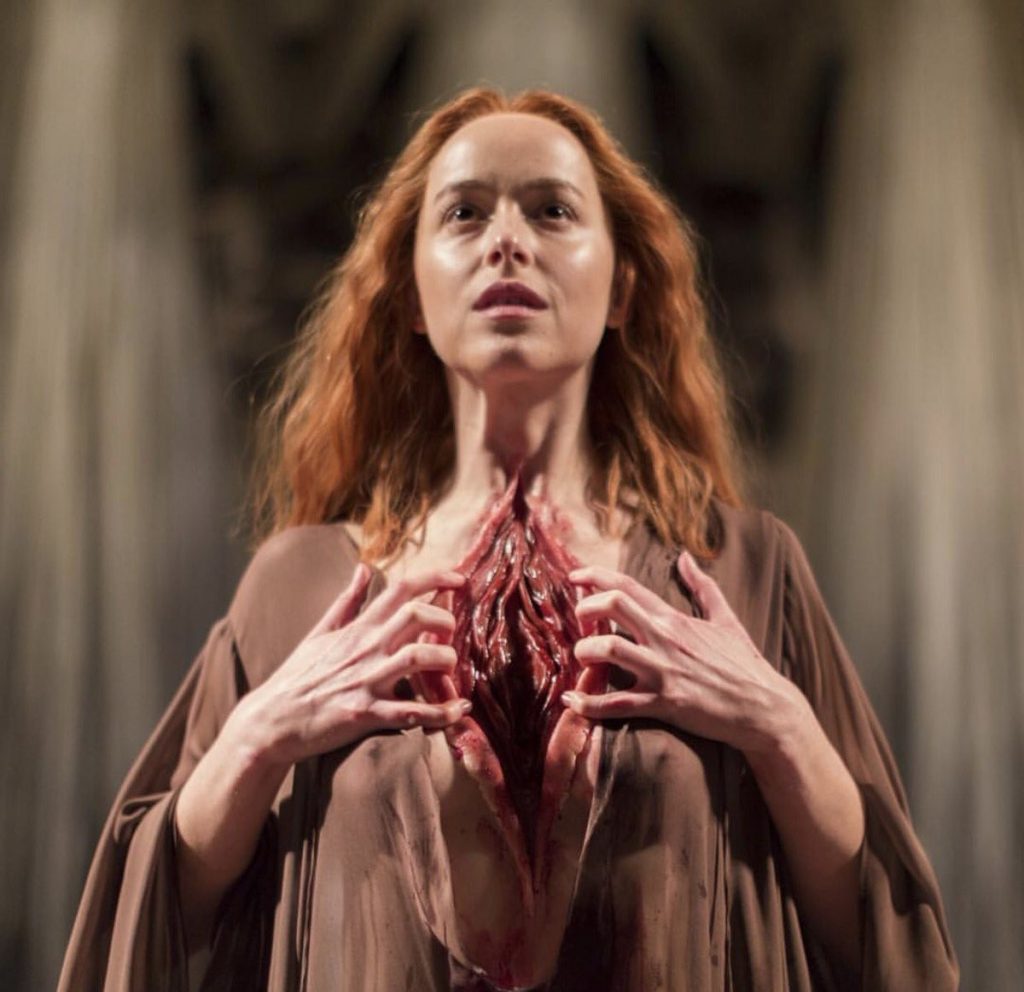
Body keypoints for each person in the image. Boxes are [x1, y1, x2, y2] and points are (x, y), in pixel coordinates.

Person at [58, 87, 958, 991]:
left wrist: (777, 723)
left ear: (623, 287)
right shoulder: (300, 586)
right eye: (464, 213)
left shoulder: (742, 571)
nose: (507, 241)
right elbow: (160, 918)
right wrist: (259, 736)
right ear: (412, 295)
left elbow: (879, 935)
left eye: (551, 210)